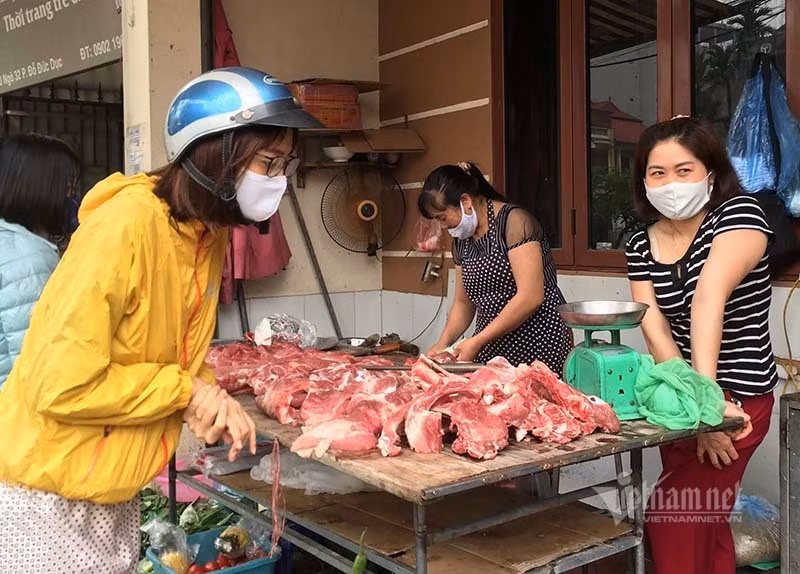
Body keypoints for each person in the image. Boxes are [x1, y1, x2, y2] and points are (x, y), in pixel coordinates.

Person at [0, 67, 323, 572]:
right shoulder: (125, 227)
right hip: (46, 497)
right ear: (215, 155)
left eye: (285, 163)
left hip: (110, 490)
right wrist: (187, 392)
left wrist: (205, 395)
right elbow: (59, 384)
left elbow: (174, 353)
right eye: (268, 162)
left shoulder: (205, 233)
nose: (279, 179)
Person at [625, 116, 776, 574]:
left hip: (737, 401)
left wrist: (707, 410)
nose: (671, 183)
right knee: (704, 523)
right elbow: (654, 327)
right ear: (643, 181)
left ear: (711, 171)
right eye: (658, 172)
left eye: (684, 169)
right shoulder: (639, 243)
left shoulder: (739, 215)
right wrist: (691, 408)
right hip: (680, 401)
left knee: (673, 517)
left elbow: (708, 298)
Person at [419, 161, 572, 373]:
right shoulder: (462, 241)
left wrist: (477, 341)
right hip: (491, 345)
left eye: (443, 218)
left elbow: (530, 297)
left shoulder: (514, 223)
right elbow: (463, 303)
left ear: (465, 201)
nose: (443, 226)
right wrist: (441, 346)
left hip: (538, 342)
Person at [0, 133, 81, 387]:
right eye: (67, 187)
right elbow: (36, 365)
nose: (72, 196)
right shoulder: (27, 258)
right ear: (39, 187)